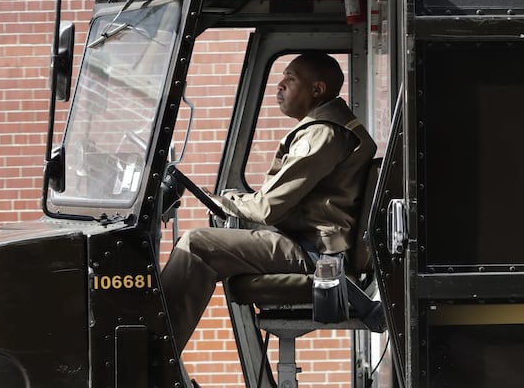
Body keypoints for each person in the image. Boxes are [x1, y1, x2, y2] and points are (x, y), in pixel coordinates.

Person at [161, 51, 377, 351]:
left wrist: (227, 202)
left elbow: (268, 208)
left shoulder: (323, 134)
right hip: (306, 242)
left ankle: (156, 356)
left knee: (196, 245)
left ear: (317, 89)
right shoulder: (327, 129)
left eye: (291, 79)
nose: (280, 85)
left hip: (317, 252)